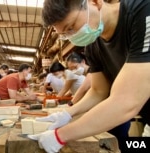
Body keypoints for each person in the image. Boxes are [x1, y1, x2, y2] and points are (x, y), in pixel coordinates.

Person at [28, 0, 150, 152]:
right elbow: (98, 90)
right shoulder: (93, 45)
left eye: (71, 28)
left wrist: (60, 136)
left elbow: (127, 100)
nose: (72, 36)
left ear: (94, 2)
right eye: (65, 35)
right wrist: (67, 113)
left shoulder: (143, 11)